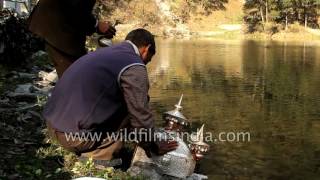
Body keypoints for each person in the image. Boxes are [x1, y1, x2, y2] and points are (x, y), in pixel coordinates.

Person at [43, 29, 178, 162]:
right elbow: (140, 114)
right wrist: (153, 146)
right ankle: (101, 153)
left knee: (126, 100)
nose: (147, 63)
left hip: (52, 125)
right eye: (149, 59)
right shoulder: (134, 65)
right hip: (72, 138)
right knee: (132, 106)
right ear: (146, 49)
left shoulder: (104, 53)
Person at [28, 0, 116, 77]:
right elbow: (77, 8)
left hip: (63, 26)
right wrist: (97, 25)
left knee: (78, 70)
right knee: (73, 74)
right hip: (56, 26)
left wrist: (96, 26)